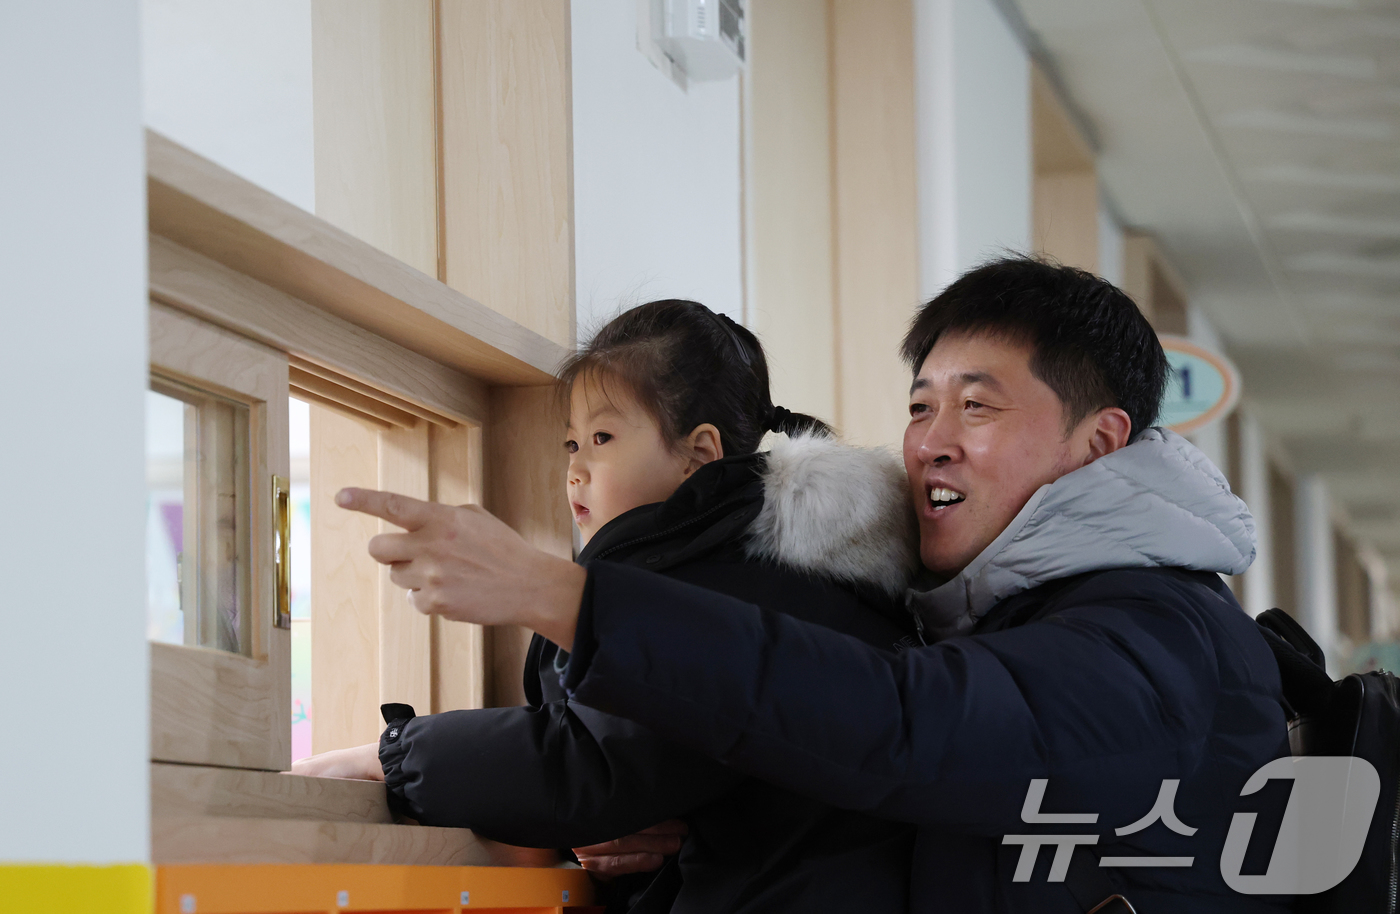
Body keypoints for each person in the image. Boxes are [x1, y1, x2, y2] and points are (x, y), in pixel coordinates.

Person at [336, 259, 1291, 912]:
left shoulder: (1156, 630)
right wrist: (726, 816)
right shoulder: (995, 612)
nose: (933, 439)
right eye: (921, 406)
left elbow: (911, 732)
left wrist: (571, 602)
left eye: (979, 405)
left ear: (1101, 439)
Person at [297, 299, 921, 914]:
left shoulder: (730, 584)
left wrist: (391, 755)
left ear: (698, 455)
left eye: (602, 436)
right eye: (571, 444)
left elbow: (590, 763)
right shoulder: (773, 566)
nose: (576, 470)